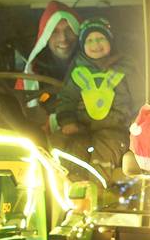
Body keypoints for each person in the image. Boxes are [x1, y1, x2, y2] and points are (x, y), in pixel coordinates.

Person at [52, 17, 134, 169]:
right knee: (72, 147)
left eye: (101, 38)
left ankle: (99, 186)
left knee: (106, 150)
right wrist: (67, 120)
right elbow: (67, 98)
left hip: (115, 128)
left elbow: (139, 96)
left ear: (111, 41)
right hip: (83, 128)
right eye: (89, 41)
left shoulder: (125, 68)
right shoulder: (78, 70)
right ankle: (72, 184)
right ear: (82, 45)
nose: (95, 44)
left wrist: (137, 122)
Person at [15, 1, 80, 110]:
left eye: (69, 30)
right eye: (54, 31)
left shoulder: (94, 68)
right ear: (45, 37)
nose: (63, 38)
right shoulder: (31, 74)